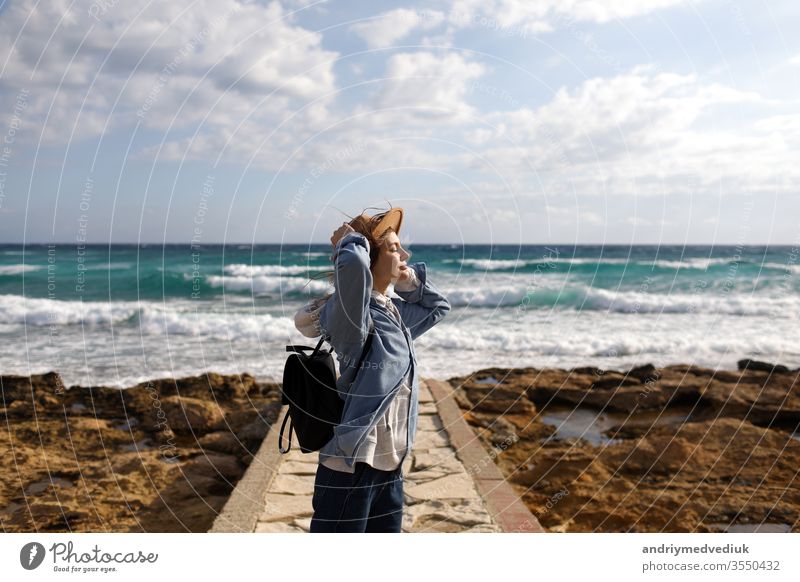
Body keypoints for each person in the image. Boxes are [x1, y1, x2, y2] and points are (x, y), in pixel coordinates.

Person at [293, 206, 451, 532]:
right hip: (352, 466)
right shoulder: (354, 318)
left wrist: (409, 280)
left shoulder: (392, 312)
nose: (405, 253)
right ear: (370, 260)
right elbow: (351, 268)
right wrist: (350, 241)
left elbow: (438, 307)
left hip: (390, 465)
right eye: (394, 248)